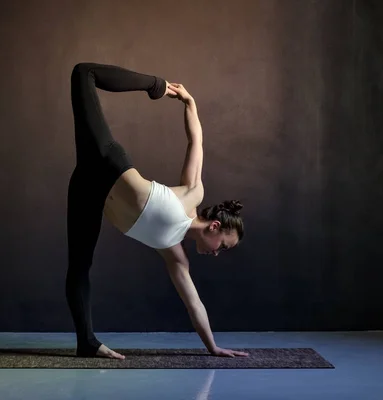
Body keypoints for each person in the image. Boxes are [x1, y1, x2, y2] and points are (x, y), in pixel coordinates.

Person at [66, 62, 248, 360]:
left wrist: (212, 347)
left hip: (88, 188)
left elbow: (194, 304)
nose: (217, 254)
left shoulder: (173, 252)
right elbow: (196, 141)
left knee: (78, 267)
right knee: (83, 73)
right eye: (223, 247)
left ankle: (86, 343)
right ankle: (154, 84)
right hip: (106, 160)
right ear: (215, 226)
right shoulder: (192, 194)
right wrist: (189, 103)